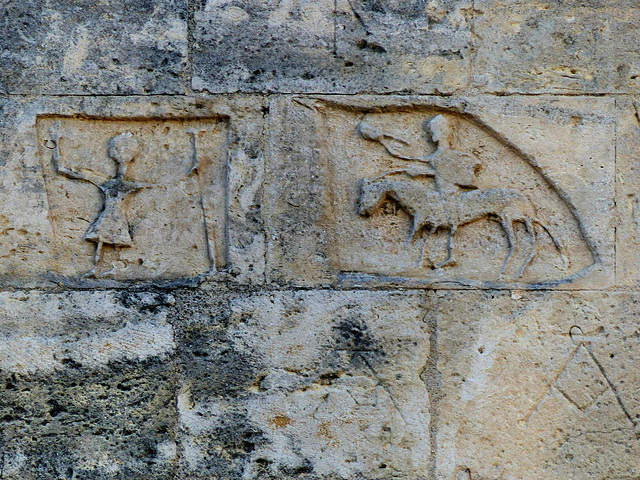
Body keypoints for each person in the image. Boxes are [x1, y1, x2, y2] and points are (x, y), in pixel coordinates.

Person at [52, 132, 153, 277]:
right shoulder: (108, 183)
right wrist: (57, 146)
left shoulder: (124, 185)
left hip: (117, 218)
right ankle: (96, 269)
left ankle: (113, 269)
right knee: (102, 243)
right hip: (108, 217)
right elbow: (69, 172)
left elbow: (155, 185)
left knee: (114, 244)